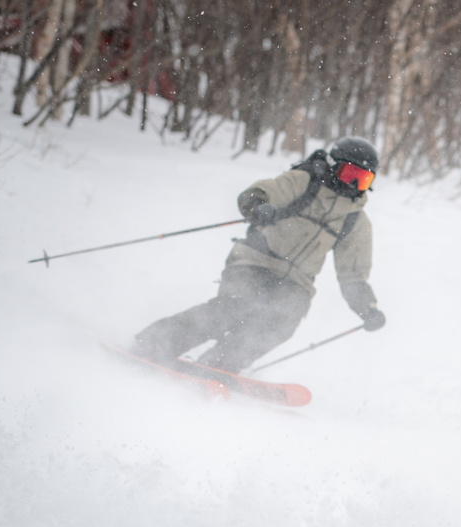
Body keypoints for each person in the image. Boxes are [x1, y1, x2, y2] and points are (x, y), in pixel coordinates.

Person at [130, 137, 386, 372]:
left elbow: (354, 275)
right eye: (349, 174)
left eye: (362, 180)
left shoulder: (354, 220)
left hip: (297, 282)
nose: (352, 185)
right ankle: (155, 344)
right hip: (255, 259)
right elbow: (259, 193)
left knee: (283, 320)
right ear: (333, 166)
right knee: (234, 308)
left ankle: (219, 364)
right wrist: (259, 207)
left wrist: (368, 308)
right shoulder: (304, 182)